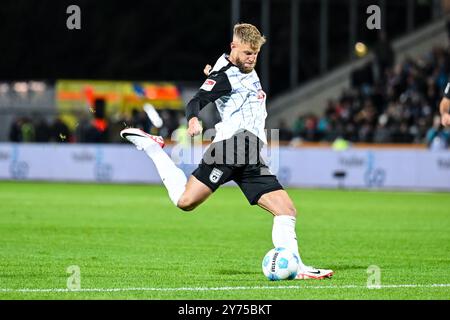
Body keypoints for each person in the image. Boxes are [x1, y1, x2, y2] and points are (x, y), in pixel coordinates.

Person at [120, 23, 333, 280]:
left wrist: (215, 69)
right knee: (185, 202)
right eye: (246, 53)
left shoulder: (233, 67)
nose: (252, 58)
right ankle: (153, 148)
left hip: (251, 152)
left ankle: (296, 268)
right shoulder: (224, 76)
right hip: (231, 147)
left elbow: (221, 72)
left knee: (286, 210)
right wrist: (193, 119)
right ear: (234, 47)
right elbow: (196, 99)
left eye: (255, 53)